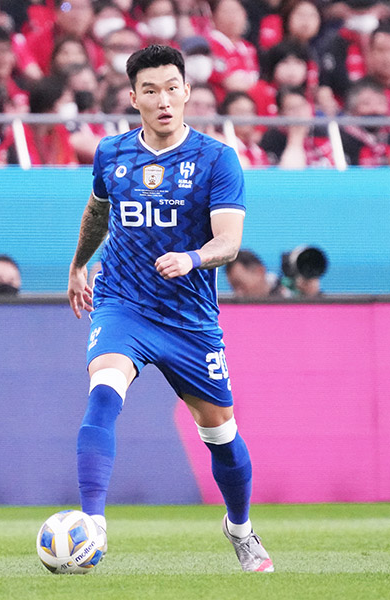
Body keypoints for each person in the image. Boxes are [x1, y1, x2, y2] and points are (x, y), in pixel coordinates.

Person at [67, 44, 274, 573]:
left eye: (172, 88)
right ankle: (93, 524)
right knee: (103, 391)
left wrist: (193, 257)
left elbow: (229, 241)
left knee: (220, 434)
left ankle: (240, 528)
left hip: (189, 318)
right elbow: (98, 212)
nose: (163, 100)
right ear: (133, 97)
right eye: (151, 90)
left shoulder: (216, 158)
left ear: (187, 92)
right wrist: (78, 264)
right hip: (123, 303)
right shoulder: (111, 153)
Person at [339, 76, 390, 166]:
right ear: (352, 110)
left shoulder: (387, 135)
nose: (375, 109)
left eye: (380, 103)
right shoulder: (342, 138)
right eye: (366, 103)